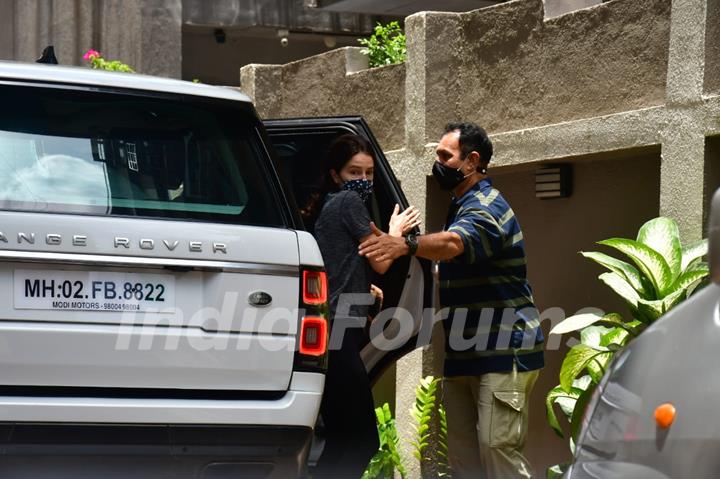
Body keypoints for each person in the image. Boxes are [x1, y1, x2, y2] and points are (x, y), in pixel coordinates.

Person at [358, 122, 544, 479]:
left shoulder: (486, 206)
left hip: (505, 351)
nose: (438, 162)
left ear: (472, 161)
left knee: (497, 452)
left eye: (445, 155)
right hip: (466, 352)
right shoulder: (460, 205)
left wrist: (407, 244)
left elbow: (455, 243)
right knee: (464, 460)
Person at [310, 133, 420, 478]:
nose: (363, 181)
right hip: (338, 333)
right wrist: (396, 231)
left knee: (343, 437)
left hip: (332, 330)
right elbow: (383, 262)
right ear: (335, 175)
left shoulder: (329, 207)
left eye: (369, 174)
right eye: (354, 173)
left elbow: (342, 261)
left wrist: (362, 285)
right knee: (361, 441)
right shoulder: (347, 203)